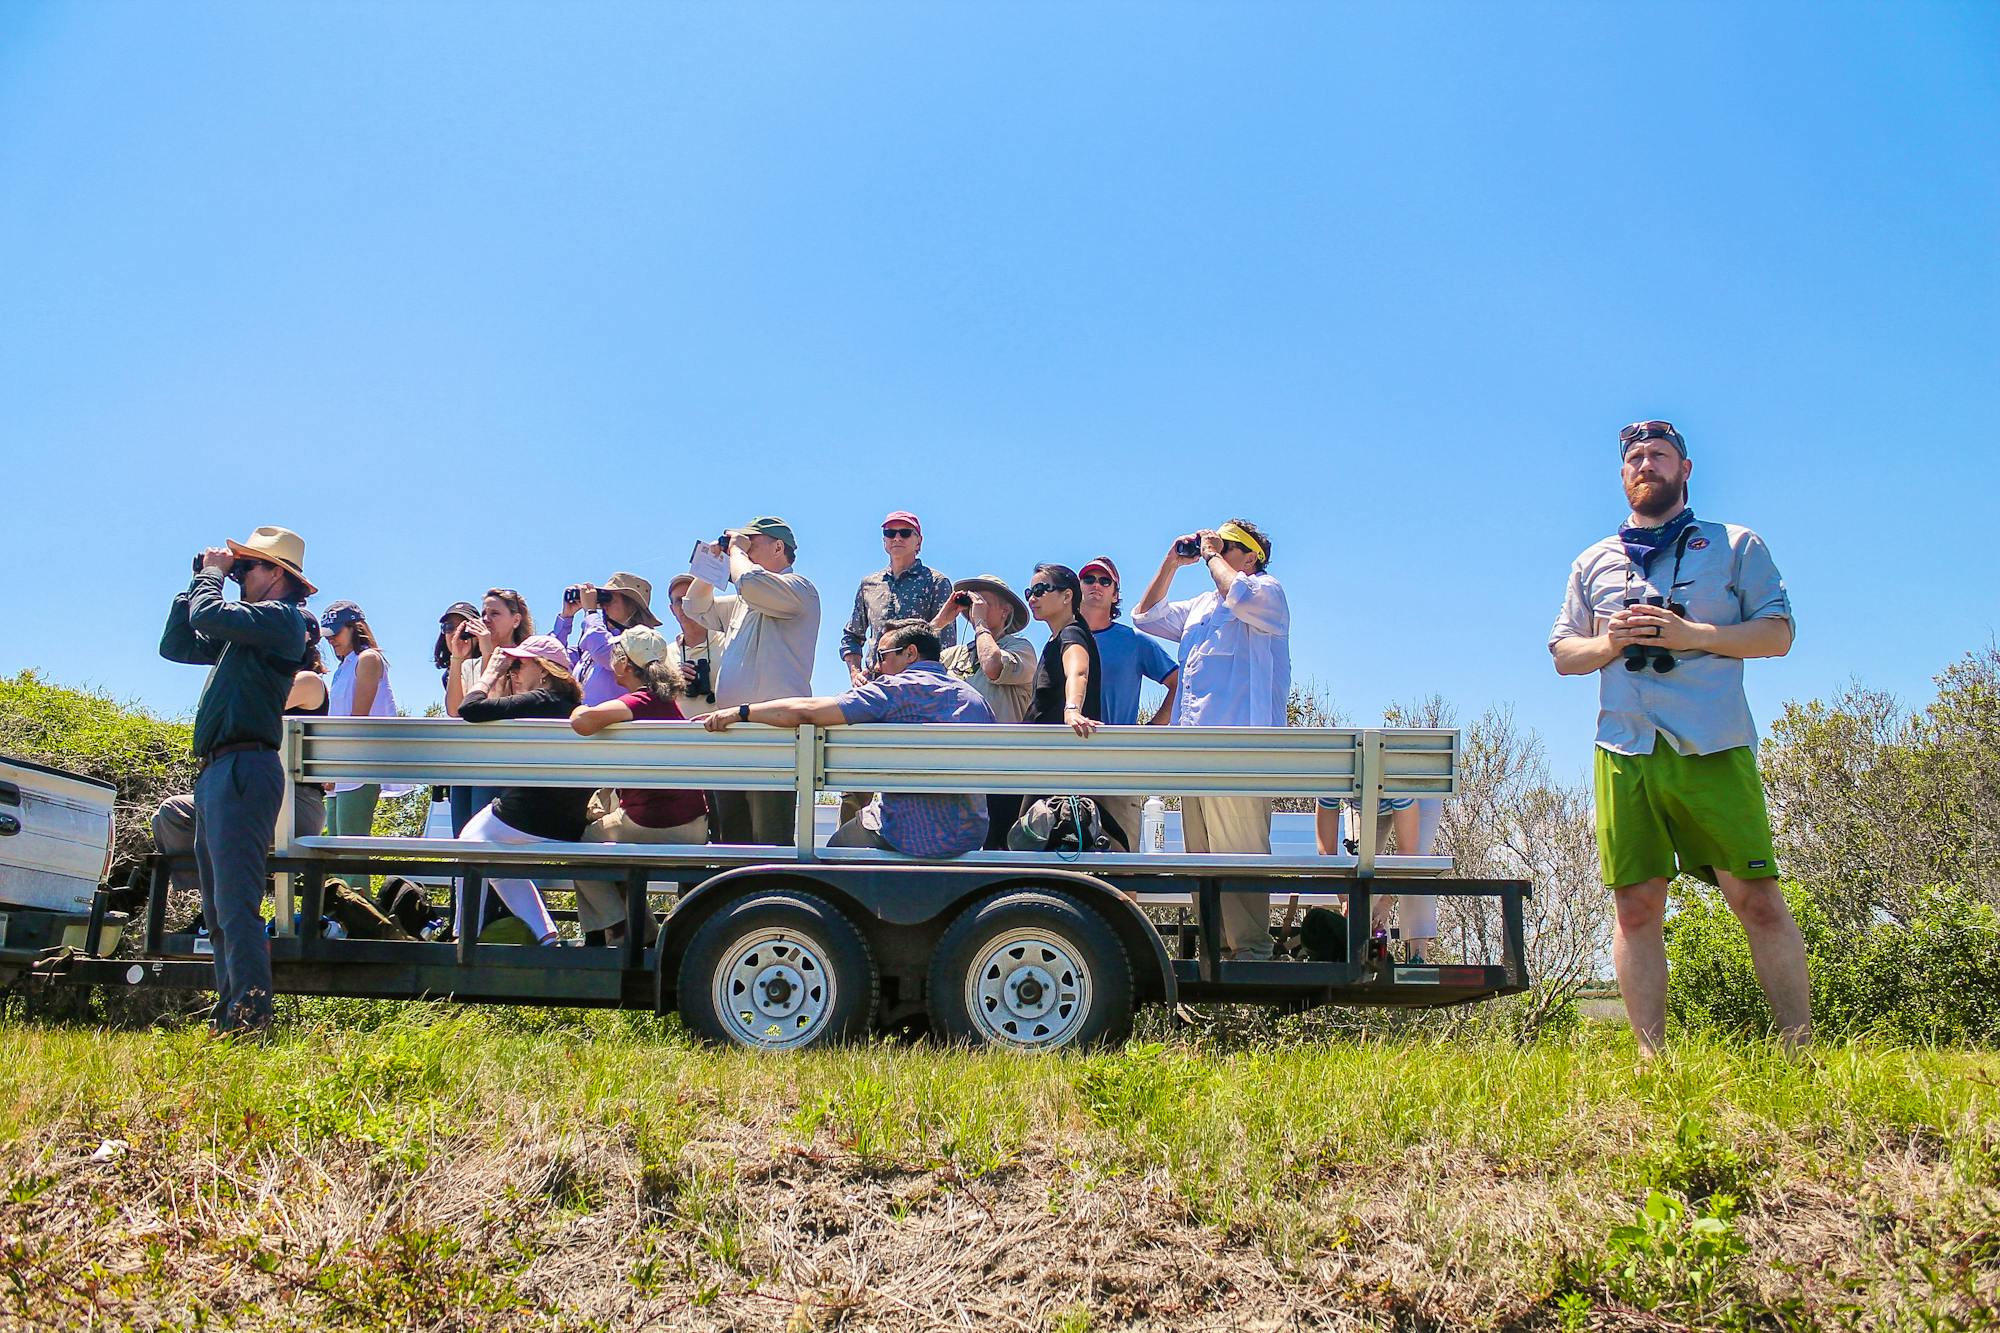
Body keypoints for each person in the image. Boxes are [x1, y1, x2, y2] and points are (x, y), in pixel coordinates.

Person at [1550, 419, 1808, 1053]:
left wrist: (1692, 636)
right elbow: (1563, 653)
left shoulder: (1736, 544)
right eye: (1635, 458)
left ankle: (1799, 1051)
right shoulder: (1593, 561)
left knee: (1756, 898)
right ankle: (1650, 1061)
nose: (1647, 465)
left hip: (1713, 743)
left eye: (1660, 455)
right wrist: (1611, 643)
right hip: (1624, 748)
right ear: (1622, 474)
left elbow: (1778, 634)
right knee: (1635, 907)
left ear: (1685, 469)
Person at [157, 526, 320, 1034]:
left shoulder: (282, 620)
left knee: (236, 906)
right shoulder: (249, 632)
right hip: (219, 771)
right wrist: (196, 582)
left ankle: (250, 1019)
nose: (239, 573)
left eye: (247, 566)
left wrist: (211, 575)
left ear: (277, 574)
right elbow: (177, 644)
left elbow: (208, 615)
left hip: (245, 768)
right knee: (218, 909)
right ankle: (232, 1014)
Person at [698, 622, 993, 857]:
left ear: (911, 653)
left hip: (906, 832)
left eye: (883, 656)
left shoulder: (894, 689)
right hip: (968, 835)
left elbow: (807, 711)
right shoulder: (974, 698)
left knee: (834, 851)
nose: (877, 666)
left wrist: (741, 712)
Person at [1134, 520, 1290, 960]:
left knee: (1240, 855)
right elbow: (1146, 615)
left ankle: (1253, 954)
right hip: (1193, 758)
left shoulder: (1267, 591)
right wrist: (1172, 562)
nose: (1216, 549)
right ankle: (1218, 955)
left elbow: (1238, 595)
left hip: (1240, 756)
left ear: (1252, 556)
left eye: (1228, 545)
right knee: (1201, 860)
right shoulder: (1202, 605)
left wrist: (1211, 555)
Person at [153, 645, 329, 914]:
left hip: (295, 806)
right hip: (254, 798)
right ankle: (214, 907)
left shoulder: (308, 681)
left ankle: (233, 907)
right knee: (172, 814)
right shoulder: (261, 687)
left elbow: (252, 708)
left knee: (228, 817)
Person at [567, 625, 710, 944]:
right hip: (693, 824)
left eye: (617, 653)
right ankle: (642, 933)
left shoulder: (640, 702)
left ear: (626, 664)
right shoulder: (665, 702)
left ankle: (617, 927)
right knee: (613, 849)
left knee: (582, 845)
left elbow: (582, 723)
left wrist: (577, 703)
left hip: (654, 824)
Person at [682, 517, 820, 845]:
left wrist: (735, 551)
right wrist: (714, 562)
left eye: (751, 543)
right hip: (732, 734)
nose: (742, 549)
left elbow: (751, 583)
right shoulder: (743, 602)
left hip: (773, 735)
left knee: (770, 838)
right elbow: (695, 606)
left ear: (778, 547)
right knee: (732, 836)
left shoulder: (800, 589)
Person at [454, 635, 588, 945]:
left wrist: (491, 673)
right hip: (567, 823)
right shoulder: (571, 707)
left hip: (529, 818)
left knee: (469, 842)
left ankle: (463, 936)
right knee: (490, 853)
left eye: (518, 664)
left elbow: (469, 708)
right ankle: (545, 936)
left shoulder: (540, 701)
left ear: (544, 671)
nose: (512, 671)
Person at [837, 511, 956, 826]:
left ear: (919, 541)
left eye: (905, 533)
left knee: (910, 772)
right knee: (854, 776)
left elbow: (943, 645)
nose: (897, 538)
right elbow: (851, 636)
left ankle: (910, 841)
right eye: (890, 533)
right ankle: (847, 847)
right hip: (875, 687)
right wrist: (855, 672)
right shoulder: (869, 584)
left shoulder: (937, 582)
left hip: (917, 692)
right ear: (883, 541)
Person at [1003, 564, 1117, 849]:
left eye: (1041, 590)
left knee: (1035, 849)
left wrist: (1072, 709)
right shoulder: (1056, 639)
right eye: (1030, 592)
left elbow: (1078, 671)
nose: (1033, 598)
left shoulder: (1072, 634)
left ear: (1067, 596)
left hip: (1055, 767)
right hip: (1043, 764)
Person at [1077, 555, 1178, 850]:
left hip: (1118, 766)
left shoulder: (1134, 640)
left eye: (1105, 581)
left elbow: (1179, 682)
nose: (1096, 585)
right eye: (1089, 579)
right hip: (1069, 765)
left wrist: (1152, 728)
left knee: (1121, 860)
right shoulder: (1062, 639)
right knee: (1067, 861)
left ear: (1115, 594)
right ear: (1076, 589)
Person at [318, 601, 412, 886]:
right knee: (335, 856)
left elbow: (357, 720)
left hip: (360, 766)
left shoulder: (368, 658)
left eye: (336, 632)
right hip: (341, 769)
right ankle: (339, 911)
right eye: (328, 635)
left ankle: (361, 912)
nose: (331, 640)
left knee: (352, 854)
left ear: (354, 627)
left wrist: (334, 767)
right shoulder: (343, 667)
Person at [444, 588, 532, 834]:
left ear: (516, 620)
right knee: (461, 835)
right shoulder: (470, 664)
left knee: (481, 834)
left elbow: (490, 705)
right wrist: (457, 659)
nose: (486, 620)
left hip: (499, 761)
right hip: (466, 759)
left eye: (495, 613)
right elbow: (454, 710)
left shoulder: (526, 661)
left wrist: (487, 653)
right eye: (484, 614)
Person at [1314, 796, 1441, 963]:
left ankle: (1417, 958)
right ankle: (1373, 956)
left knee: (1417, 865)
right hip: (1363, 802)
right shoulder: (1330, 786)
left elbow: (1407, 853)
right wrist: (1344, 897)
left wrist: (1386, 901)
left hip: (1416, 792)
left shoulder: (1401, 791)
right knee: (1360, 874)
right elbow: (1327, 853)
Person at [550, 572, 665, 707]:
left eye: (609, 599)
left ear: (631, 606)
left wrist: (591, 612)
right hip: (584, 718)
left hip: (613, 718)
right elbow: (550, 659)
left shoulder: (639, 645)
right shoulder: (594, 641)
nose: (604, 605)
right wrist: (566, 616)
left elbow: (604, 653)